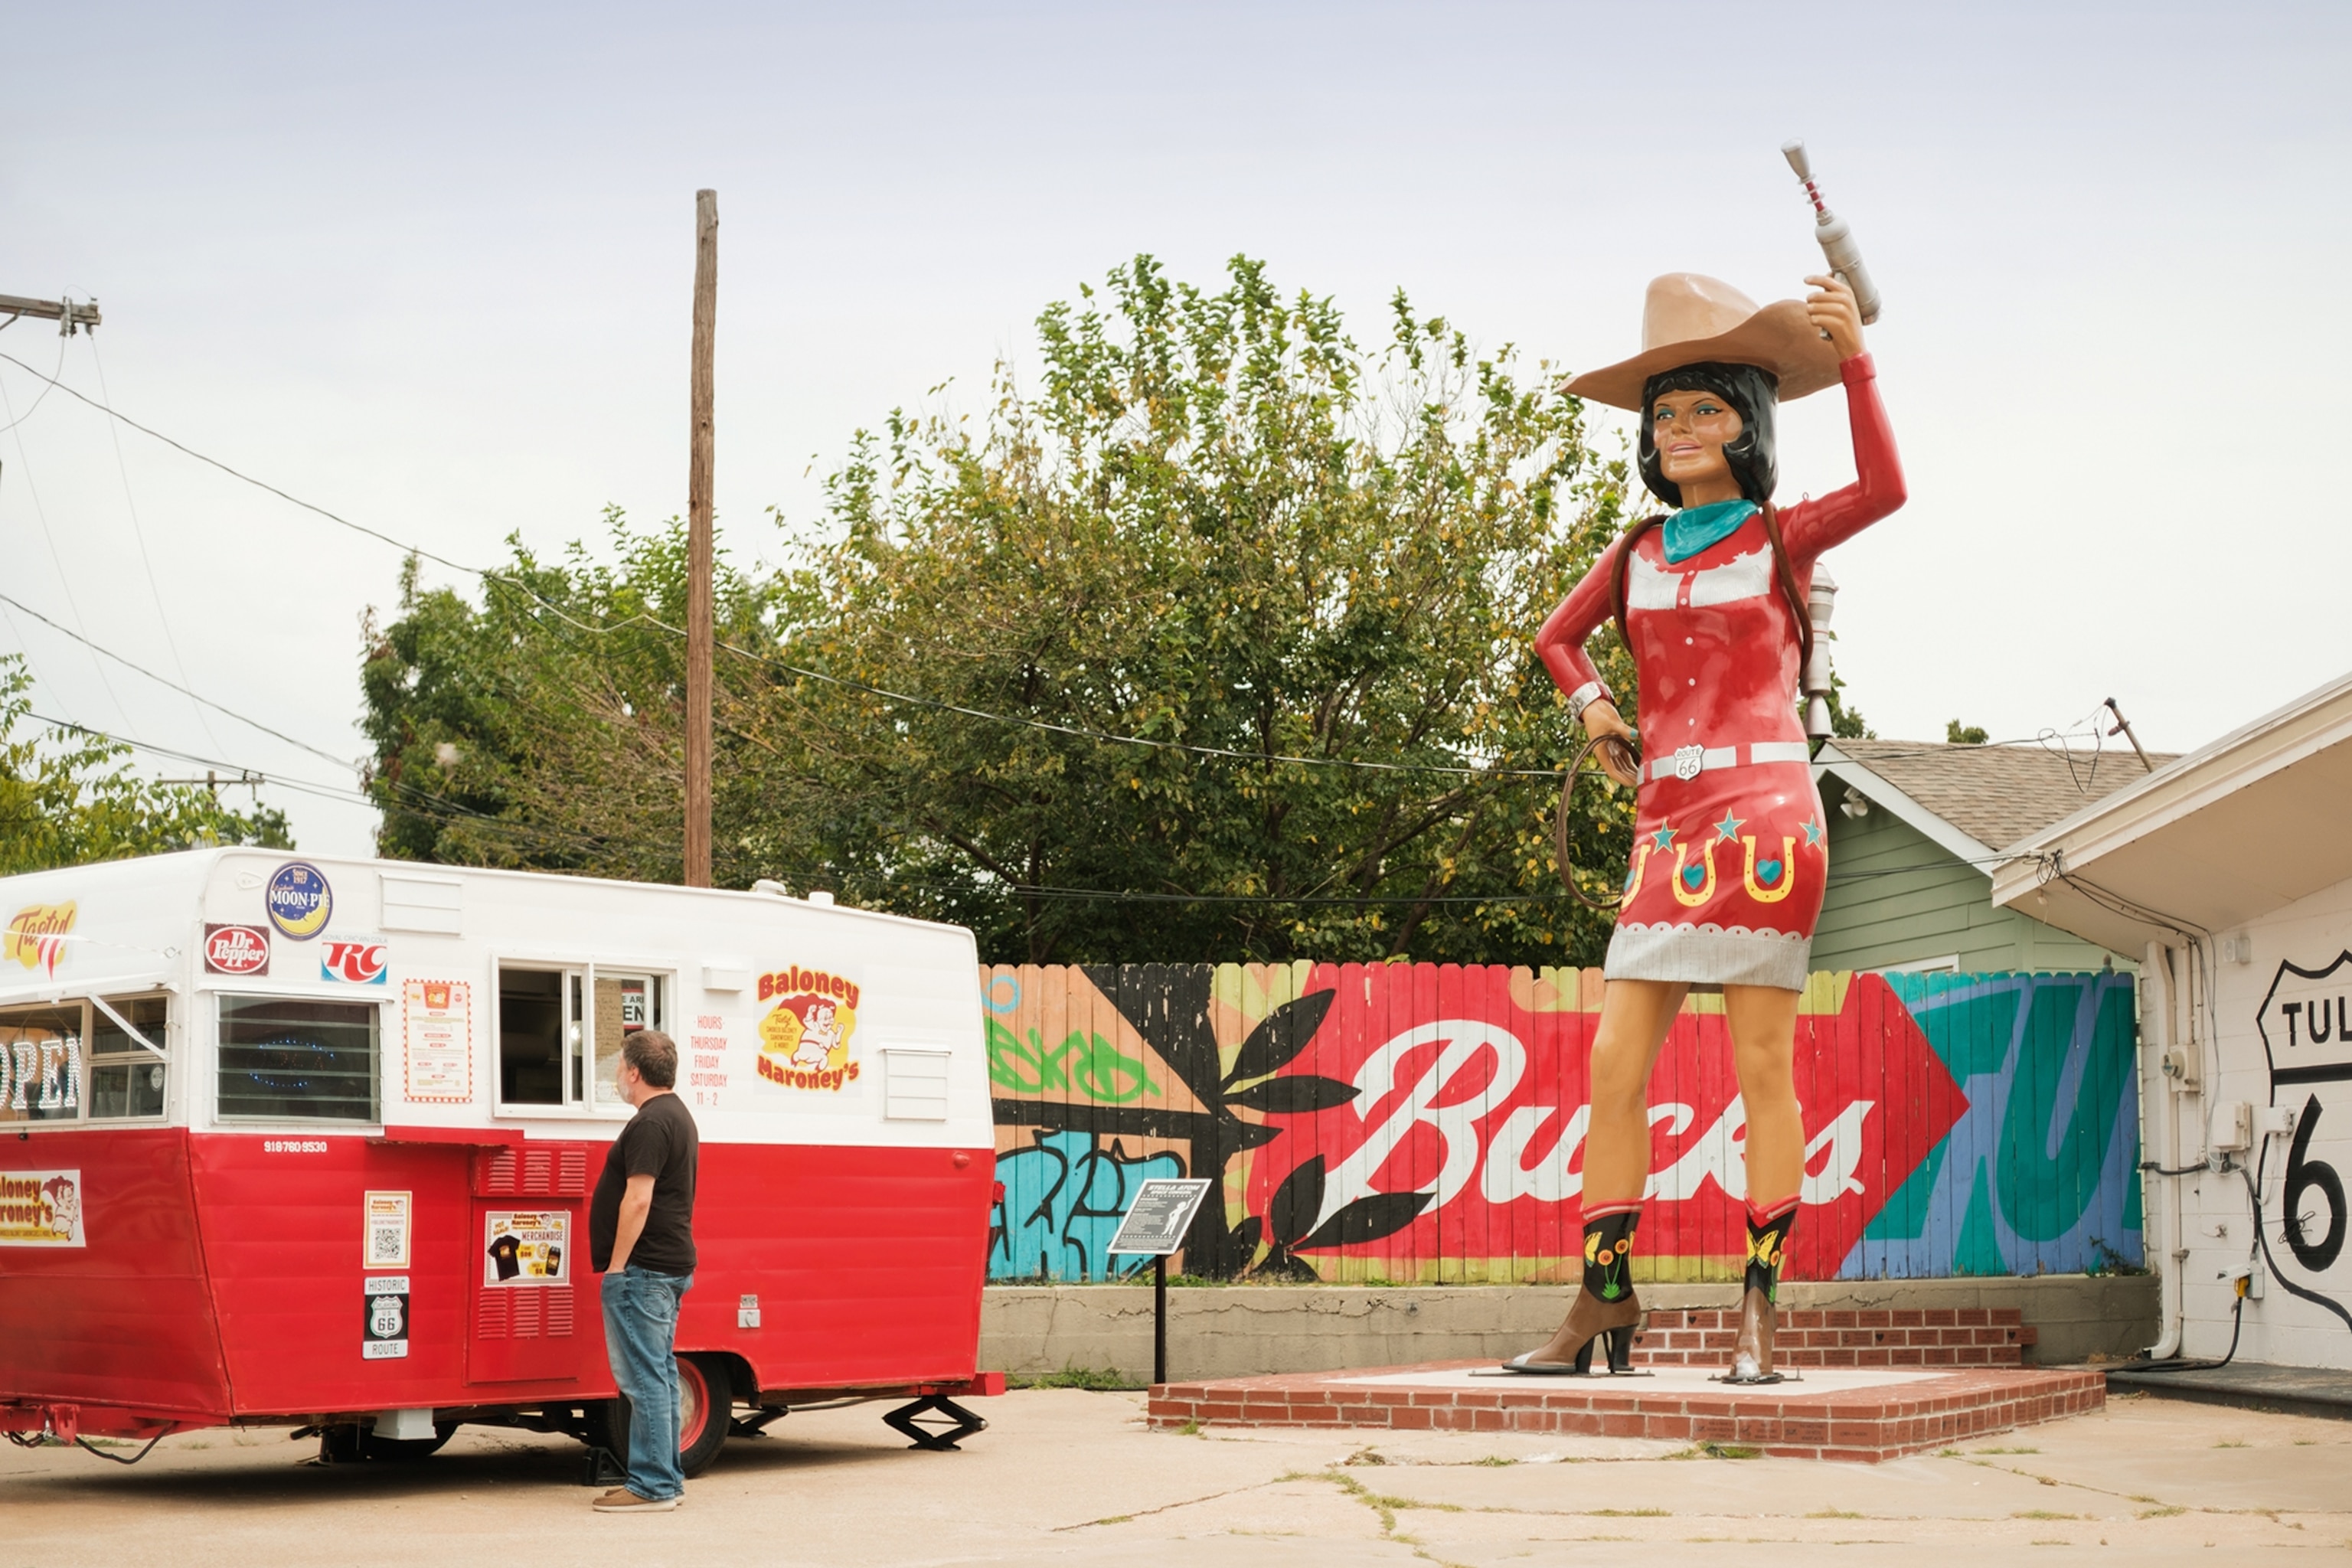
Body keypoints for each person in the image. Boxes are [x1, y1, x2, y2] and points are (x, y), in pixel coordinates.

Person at [1506, 270, 1903, 1381]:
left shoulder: (1784, 537)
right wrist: (1594, 710)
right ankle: (1604, 1300)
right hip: (1667, 827)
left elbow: (1887, 486)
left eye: (1707, 409)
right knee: (1613, 1063)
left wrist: (1859, 361)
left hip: (1771, 816)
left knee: (1761, 1071)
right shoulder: (1635, 552)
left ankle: (1759, 1311)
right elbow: (1556, 638)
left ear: (1751, 423)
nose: (1682, 431)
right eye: (1666, 414)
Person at [589, 1028, 701, 1511]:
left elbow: (638, 1199)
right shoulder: (677, 1115)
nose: (618, 1075)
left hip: (645, 1268)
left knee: (644, 1379)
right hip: (666, 1264)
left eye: (619, 1068)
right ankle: (666, 1479)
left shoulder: (652, 1122)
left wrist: (617, 1266)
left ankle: (652, 1486)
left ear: (634, 1072)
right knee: (658, 1374)